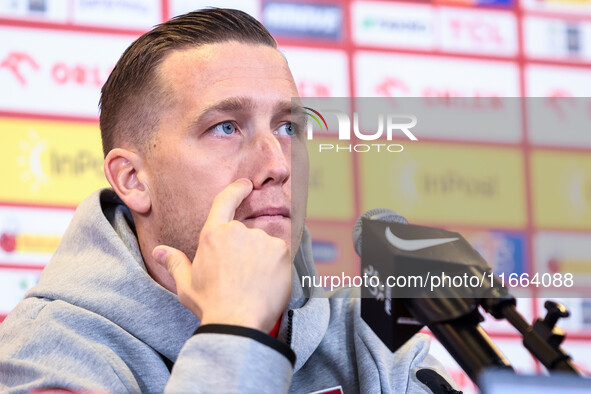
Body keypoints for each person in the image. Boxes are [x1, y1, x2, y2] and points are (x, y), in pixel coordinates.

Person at [0, 8, 457, 393]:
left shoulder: (368, 335)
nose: (277, 163)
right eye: (226, 127)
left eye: (288, 127)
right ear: (134, 179)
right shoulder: (46, 352)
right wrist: (235, 330)